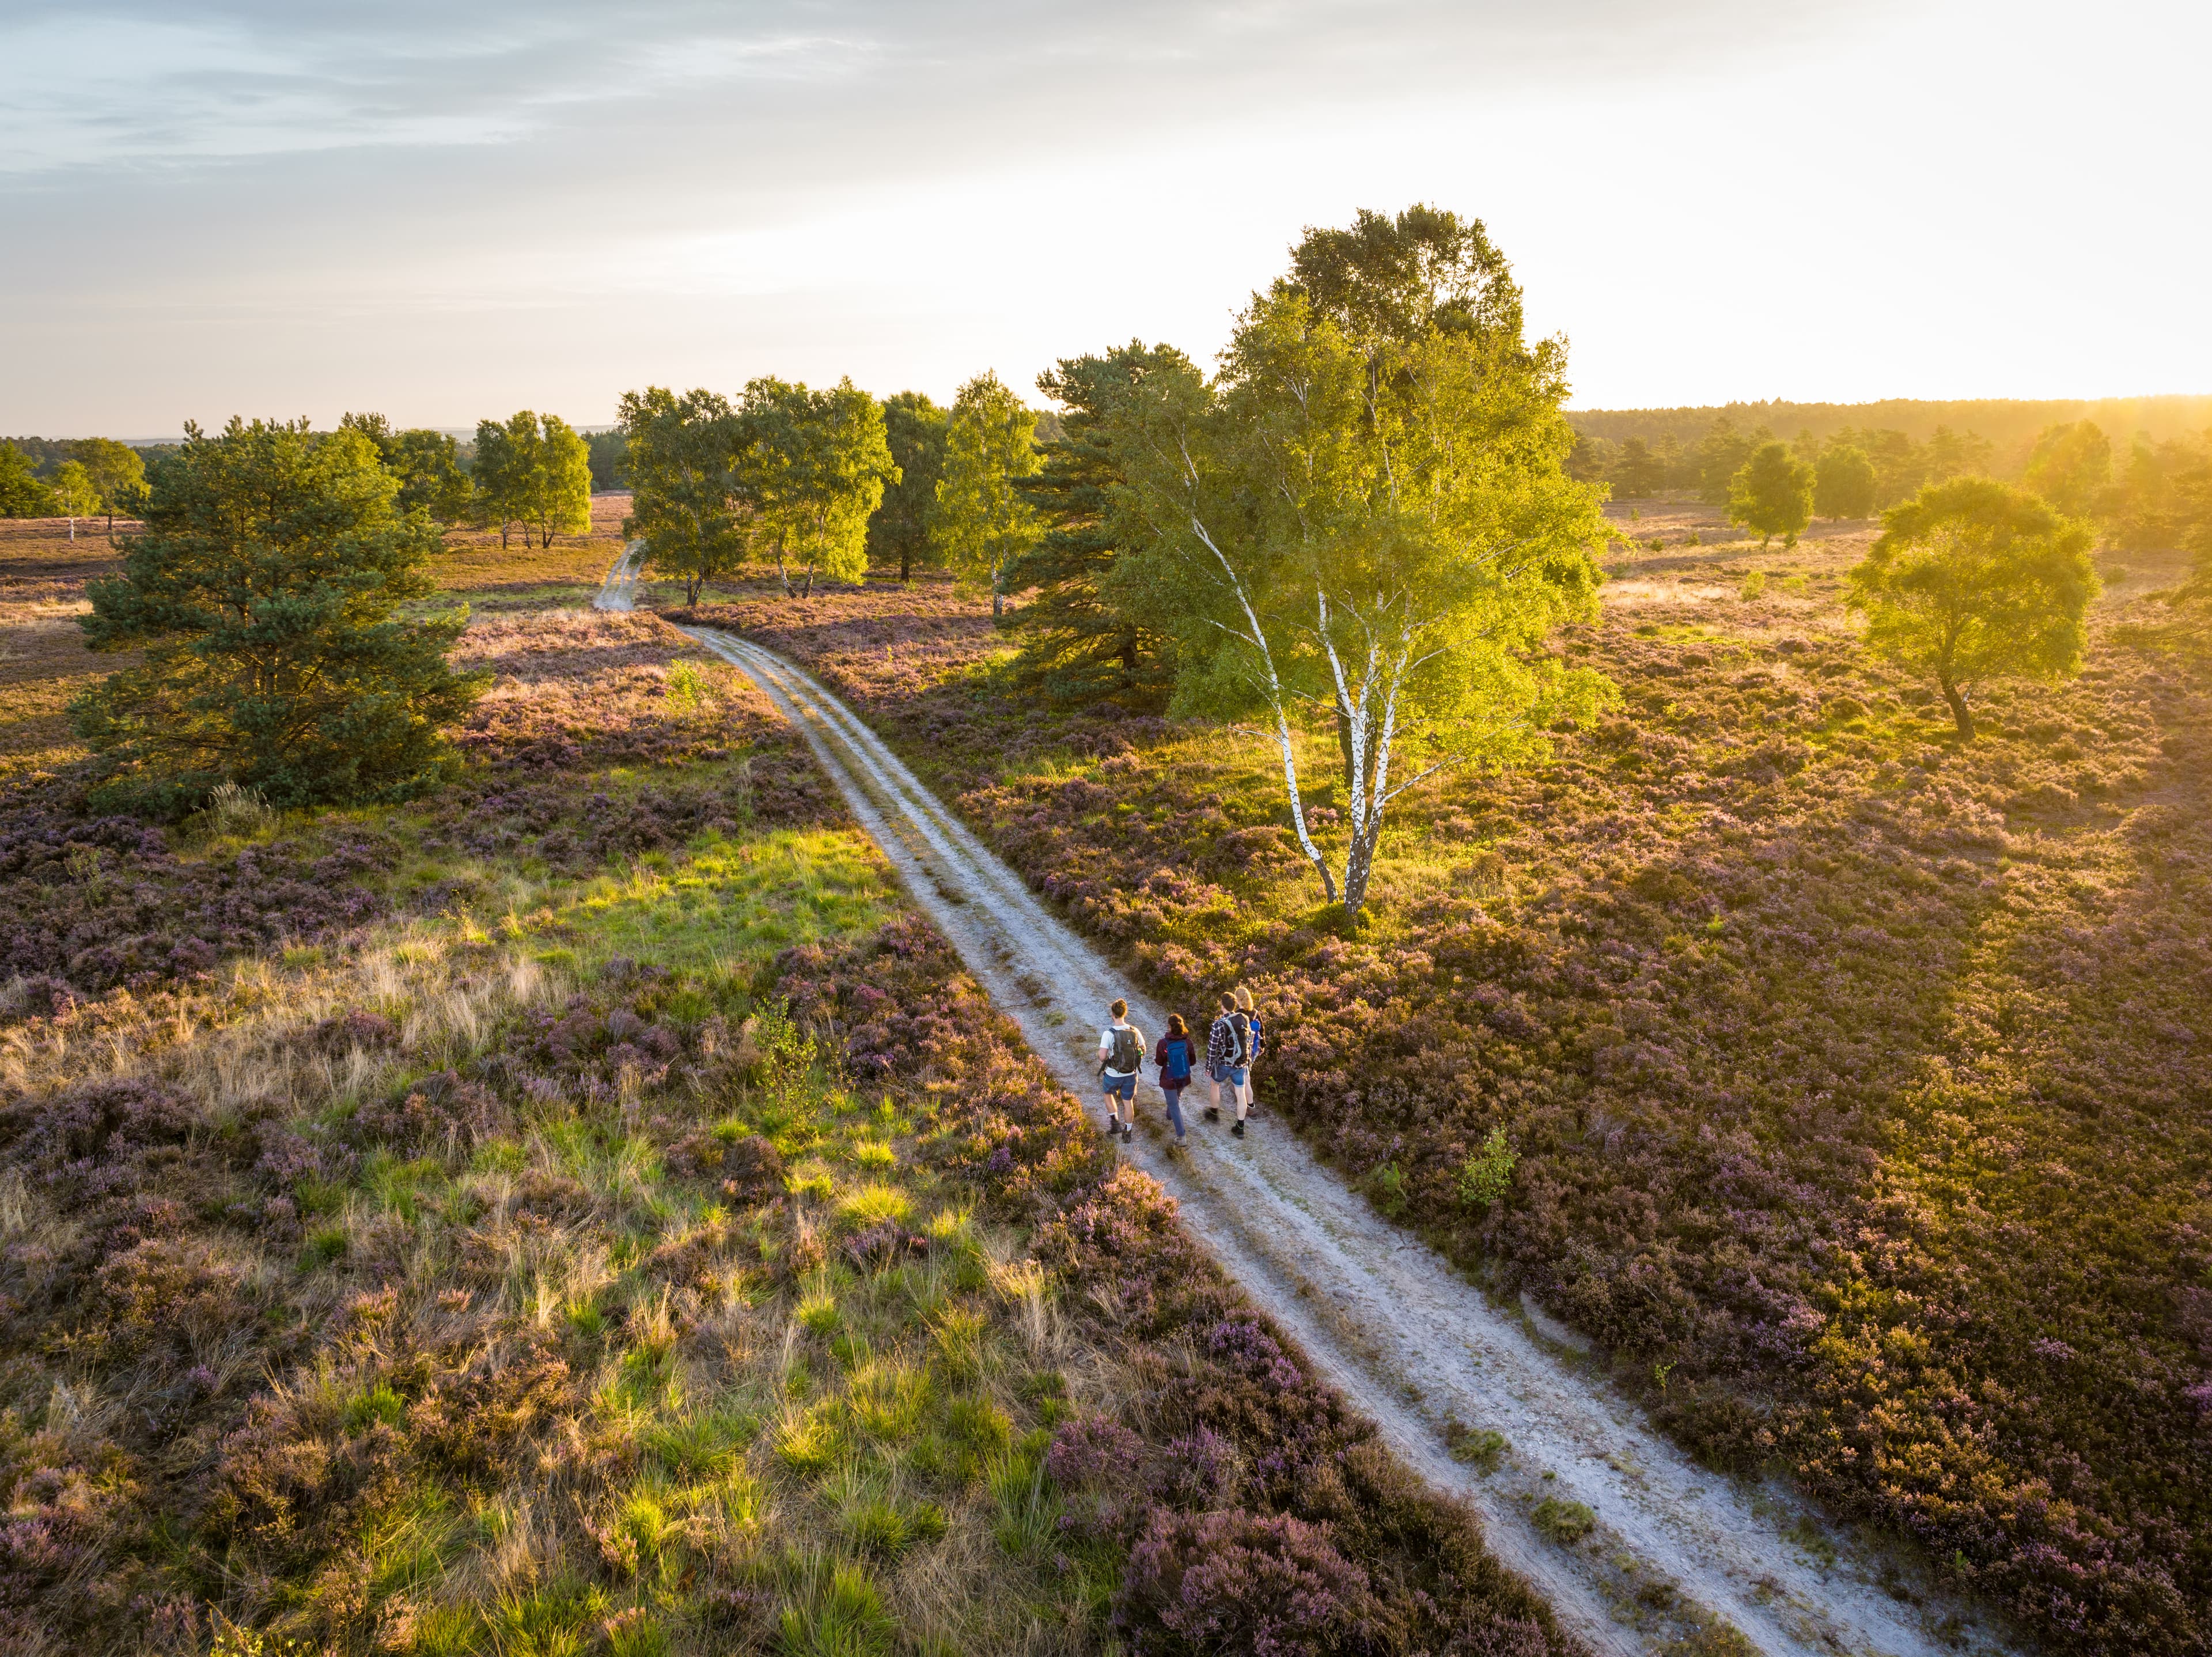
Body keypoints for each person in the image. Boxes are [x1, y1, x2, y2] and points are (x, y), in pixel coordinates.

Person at [1206, 992, 1252, 1137]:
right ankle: (1240, 1127)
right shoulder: (1244, 1018)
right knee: (1240, 1093)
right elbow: (1248, 1040)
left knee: (1215, 1084)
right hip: (1241, 1064)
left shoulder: (1219, 1024)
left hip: (1224, 1064)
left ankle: (1214, 1113)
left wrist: (1208, 1068)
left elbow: (1212, 1049)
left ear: (1222, 1006)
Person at [1097, 998, 1145, 1140]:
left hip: (1113, 1074)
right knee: (1128, 1102)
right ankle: (1128, 1133)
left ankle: (1115, 1123)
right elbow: (1143, 1049)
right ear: (1125, 1013)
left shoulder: (1109, 1033)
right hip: (1131, 1074)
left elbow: (1102, 1057)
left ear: (1113, 1015)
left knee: (1108, 1094)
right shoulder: (1134, 1031)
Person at [1155, 1014, 1197, 1145]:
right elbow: (1193, 1061)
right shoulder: (1188, 1042)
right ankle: (1169, 1115)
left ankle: (1182, 1137)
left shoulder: (1163, 1043)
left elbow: (1159, 1062)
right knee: (1176, 1097)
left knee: (1174, 1106)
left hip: (1169, 1078)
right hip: (1183, 1077)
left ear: (1169, 1027)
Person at [1234, 985, 1264, 1121]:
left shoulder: (1237, 1015)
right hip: (1254, 1049)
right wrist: (1262, 1047)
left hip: (1242, 1051)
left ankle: (1250, 1107)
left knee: (1246, 1078)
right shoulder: (1256, 1013)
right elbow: (1262, 1031)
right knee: (1246, 1075)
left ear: (1238, 999)